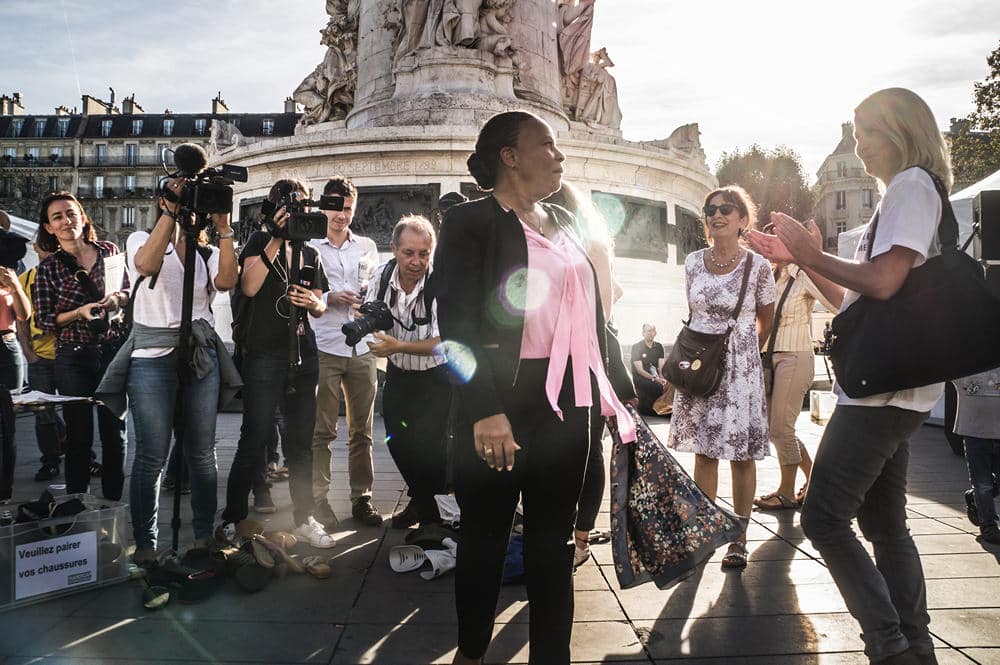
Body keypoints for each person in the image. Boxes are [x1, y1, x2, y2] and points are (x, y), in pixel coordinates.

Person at [748, 87, 950, 665]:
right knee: (886, 524)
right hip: (898, 386)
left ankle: (888, 645)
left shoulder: (911, 185)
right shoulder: (903, 194)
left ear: (900, 130)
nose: (858, 146)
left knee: (824, 518)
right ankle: (913, 642)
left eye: (866, 133)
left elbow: (884, 282)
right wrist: (798, 260)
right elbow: (854, 301)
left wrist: (809, 253)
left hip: (881, 392)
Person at [435, 110, 635, 665]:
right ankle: (471, 655)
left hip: (568, 403)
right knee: (485, 539)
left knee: (553, 546)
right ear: (510, 156)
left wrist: (613, 392)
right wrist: (484, 409)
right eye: (546, 144)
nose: (559, 155)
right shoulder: (471, 222)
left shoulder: (565, 222)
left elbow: (593, 317)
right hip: (500, 404)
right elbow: (455, 324)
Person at [94, 178, 238, 563]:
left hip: (199, 359)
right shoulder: (139, 238)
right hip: (152, 360)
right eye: (178, 199)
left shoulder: (207, 254)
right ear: (162, 200)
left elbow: (227, 280)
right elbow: (146, 265)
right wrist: (171, 212)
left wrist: (223, 227)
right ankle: (145, 544)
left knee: (202, 455)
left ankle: (204, 538)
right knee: (151, 456)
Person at [220, 179, 335, 549]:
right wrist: (274, 236)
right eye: (289, 205)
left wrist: (311, 301)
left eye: (301, 204)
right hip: (264, 353)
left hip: (303, 353)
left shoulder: (311, 253)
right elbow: (249, 287)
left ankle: (305, 517)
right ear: (273, 209)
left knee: (301, 443)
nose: (296, 211)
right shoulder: (258, 242)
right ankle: (233, 518)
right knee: (254, 437)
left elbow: (320, 305)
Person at [666, 185, 775, 569]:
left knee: (741, 456)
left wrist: (740, 357)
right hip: (699, 366)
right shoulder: (694, 262)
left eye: (727, 208)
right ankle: (705, 532)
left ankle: (739, 537)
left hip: (739, 368)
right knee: (705, 451)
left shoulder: (758, 266)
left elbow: (766, 321)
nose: (717, 214)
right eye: (711, 209)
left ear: (743, 220)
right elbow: (693, 313)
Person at [544, 181, 633, 568]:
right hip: (592, 348)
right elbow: (615, 293)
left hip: (583, 353)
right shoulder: (594, 239)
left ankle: (574, 536)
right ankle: (575, 536)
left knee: (583, 448)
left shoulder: (576, 241)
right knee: (586, 448)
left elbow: (604, 301)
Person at [33, 192, 129, 500]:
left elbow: (128, 289)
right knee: (79, 437)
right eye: (57, 217)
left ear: (83, 217)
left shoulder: (109, 251)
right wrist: (79, 313)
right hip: (73, 357)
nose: (65, 220)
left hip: (112, 351)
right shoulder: (47, 269)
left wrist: (118, 299)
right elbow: (46, 320)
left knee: (115, 433)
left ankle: (113, 502)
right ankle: (77, 505)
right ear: (49, 228)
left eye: (71, 213)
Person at [364, 214, 450, 529]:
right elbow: (371, 313)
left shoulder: (441, 282)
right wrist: (371, 330)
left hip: (436, 377)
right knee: (397, 440)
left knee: (430, 447)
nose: (416, 261)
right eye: (408, 253)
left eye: (423, 254)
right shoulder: (382, 276)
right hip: (400, 373)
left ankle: (430, 515)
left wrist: (396, 345)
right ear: (394, 250)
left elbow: (443, 341)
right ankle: (424, 502)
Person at [309, 176, 383, 528]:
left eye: (349, 208)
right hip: (324, 345)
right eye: (337, 207)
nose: (342, 215)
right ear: (324, 205)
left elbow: (375, 287)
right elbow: (299, 293)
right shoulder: (310, 246)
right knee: (322, 431)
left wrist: (366, 304)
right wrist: (328, 298)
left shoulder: (366, 246)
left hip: (362, 347)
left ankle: (361, 498)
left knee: (362, 431)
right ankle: (318, 500)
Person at [754, 245, 840, 510]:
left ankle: (787, 492)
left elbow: (834, 303)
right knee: (775, 429)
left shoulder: (801, 274)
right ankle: (816, 482)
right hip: (768, 358)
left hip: (795, 356)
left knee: (781, 429)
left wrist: (806, 262)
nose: (768, 247)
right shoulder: (767, 276)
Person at [17, 240, 67, 481]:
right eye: (45, 246)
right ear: (35, 247)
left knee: (74, 409)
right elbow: (21, 319)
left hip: (68, 354)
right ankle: (50, 460)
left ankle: (82, 456)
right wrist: (28, 352)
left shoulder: (67, 276)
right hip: (40, 356)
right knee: (42, 413)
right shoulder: (26, 279)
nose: (50, 251)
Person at [953, 368, 1000, 545]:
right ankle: (988, 526)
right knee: (983, 484)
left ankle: (976, 498)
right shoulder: (966, 367)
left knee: (984, 488)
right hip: (975, 434)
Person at [630, 323, 668, 416]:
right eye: (648, 331)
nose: (651, 333)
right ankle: (655, 410)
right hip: (641, 377)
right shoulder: (636, 347)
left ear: (655, 333)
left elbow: (661, 366)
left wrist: (662, 378)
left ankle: (666, 410)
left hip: (655, 375)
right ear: (643, 333)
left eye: (653, 331)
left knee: (668, 386)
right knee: (657, 387)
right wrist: (655, 379)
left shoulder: (659, 346)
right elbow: (640, 370)